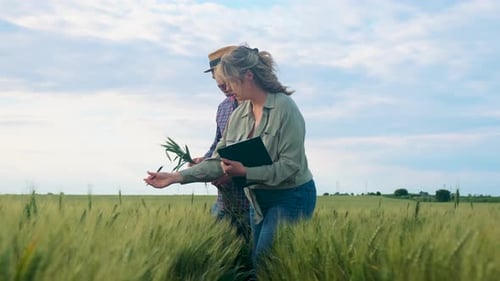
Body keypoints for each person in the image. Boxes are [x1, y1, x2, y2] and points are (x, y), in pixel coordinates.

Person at [145, 44, 316, 271]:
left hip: (290, 195)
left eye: (230, 82)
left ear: (248, 75)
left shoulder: (285, 108)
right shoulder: (239, 114)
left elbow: (290, 167)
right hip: (257, 200)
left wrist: (246, 173)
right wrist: (175, 177)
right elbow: (217, 161)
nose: (227, 89)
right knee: (260, 263)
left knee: (263, 263)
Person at [190, 45, 250, 241]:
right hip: (224, 200)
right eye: (218, 82)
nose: (223, 88)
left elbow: (261, 150)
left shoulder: (256, 105)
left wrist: (229, 175)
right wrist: (204, 161)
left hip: (251, 200)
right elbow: (218, 145)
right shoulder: (223, 108)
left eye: (225, 82)